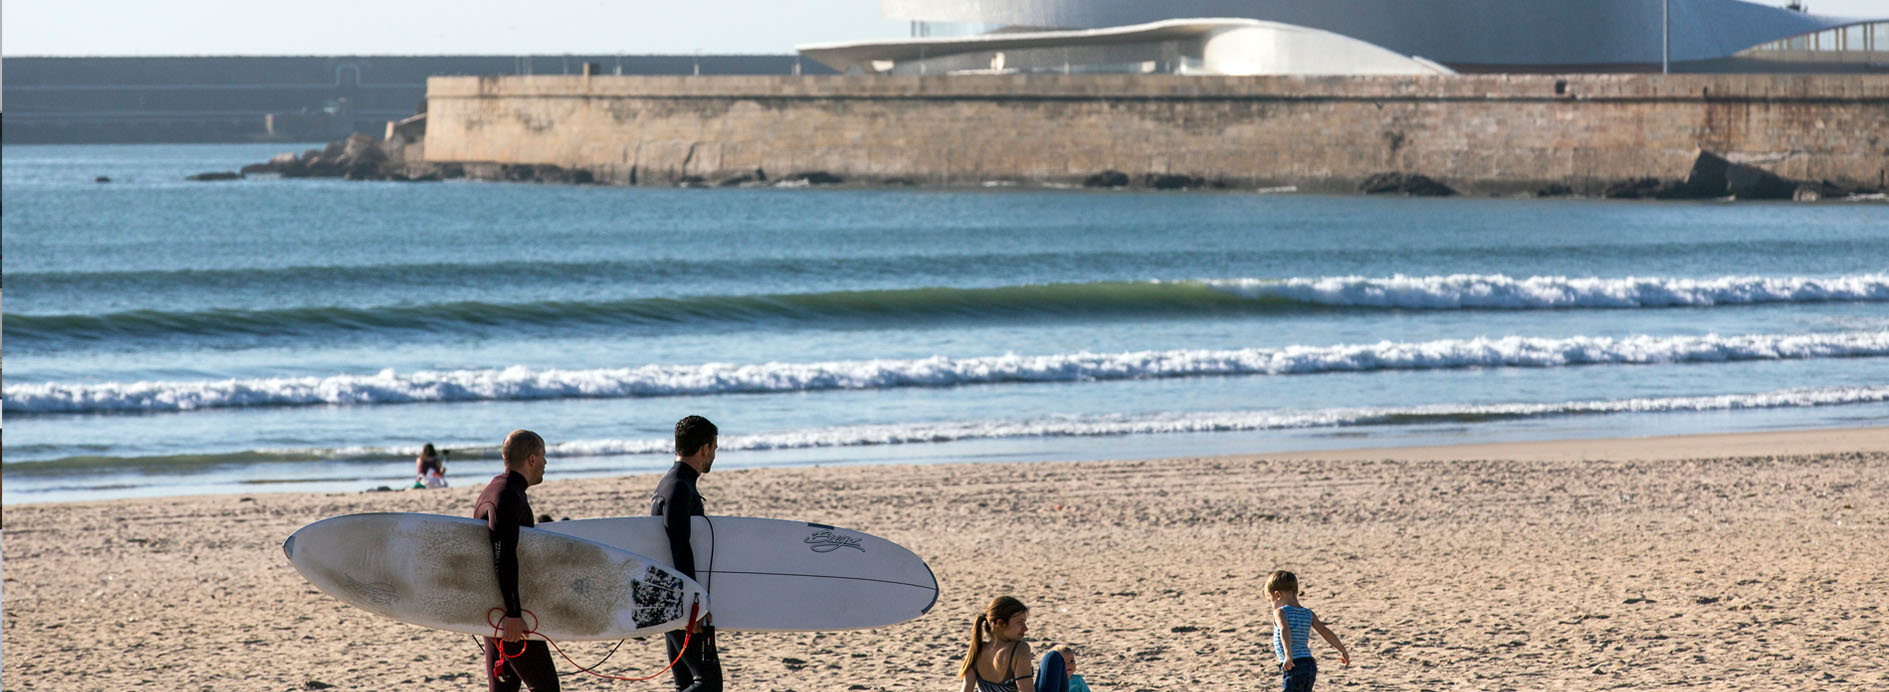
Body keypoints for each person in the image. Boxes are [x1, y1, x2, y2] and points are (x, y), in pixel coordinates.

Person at [475, 430, 558, 692]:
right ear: (532, 459)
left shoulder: (499, 488)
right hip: (505, 613)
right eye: (544, 456)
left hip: (493, 609)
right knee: (546, 688)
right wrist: (512, 614)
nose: (546, 463)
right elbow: (503, 554)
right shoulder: (508, 496)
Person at [651, 415, 722, 692]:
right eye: (714, 448)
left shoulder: (671, 483)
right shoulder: (679, 487)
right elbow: (678, 543)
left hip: (669, 596)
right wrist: (694, 602)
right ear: (704, 448)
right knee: (708, 684)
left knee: (684, 683)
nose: (714, 455)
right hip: (680, 600)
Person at [1267, 570, 1350, 692]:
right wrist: (1342, 649)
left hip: (1294, 664)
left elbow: (1284, 630)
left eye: (1271, 599)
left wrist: (1288, 655)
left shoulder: (1280, 612)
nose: (1271, 604)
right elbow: (1325, 631)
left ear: (1278, 595)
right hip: (1309, 664)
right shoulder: (1308, 613)